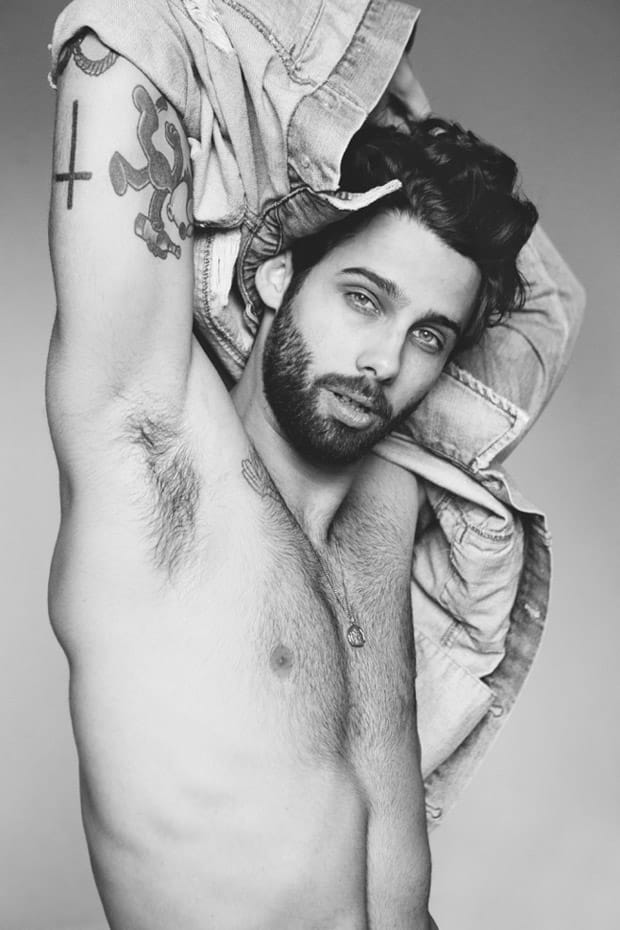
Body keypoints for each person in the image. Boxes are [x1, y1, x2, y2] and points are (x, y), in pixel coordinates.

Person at [47, 4, 584, 929]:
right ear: (277, 273)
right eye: (365, 298)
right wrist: (336, 108)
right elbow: (125, 34)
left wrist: (398, 140)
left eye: (429, 335)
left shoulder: (390, 498)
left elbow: (548, 305)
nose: (385, 361)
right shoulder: (160, 464)